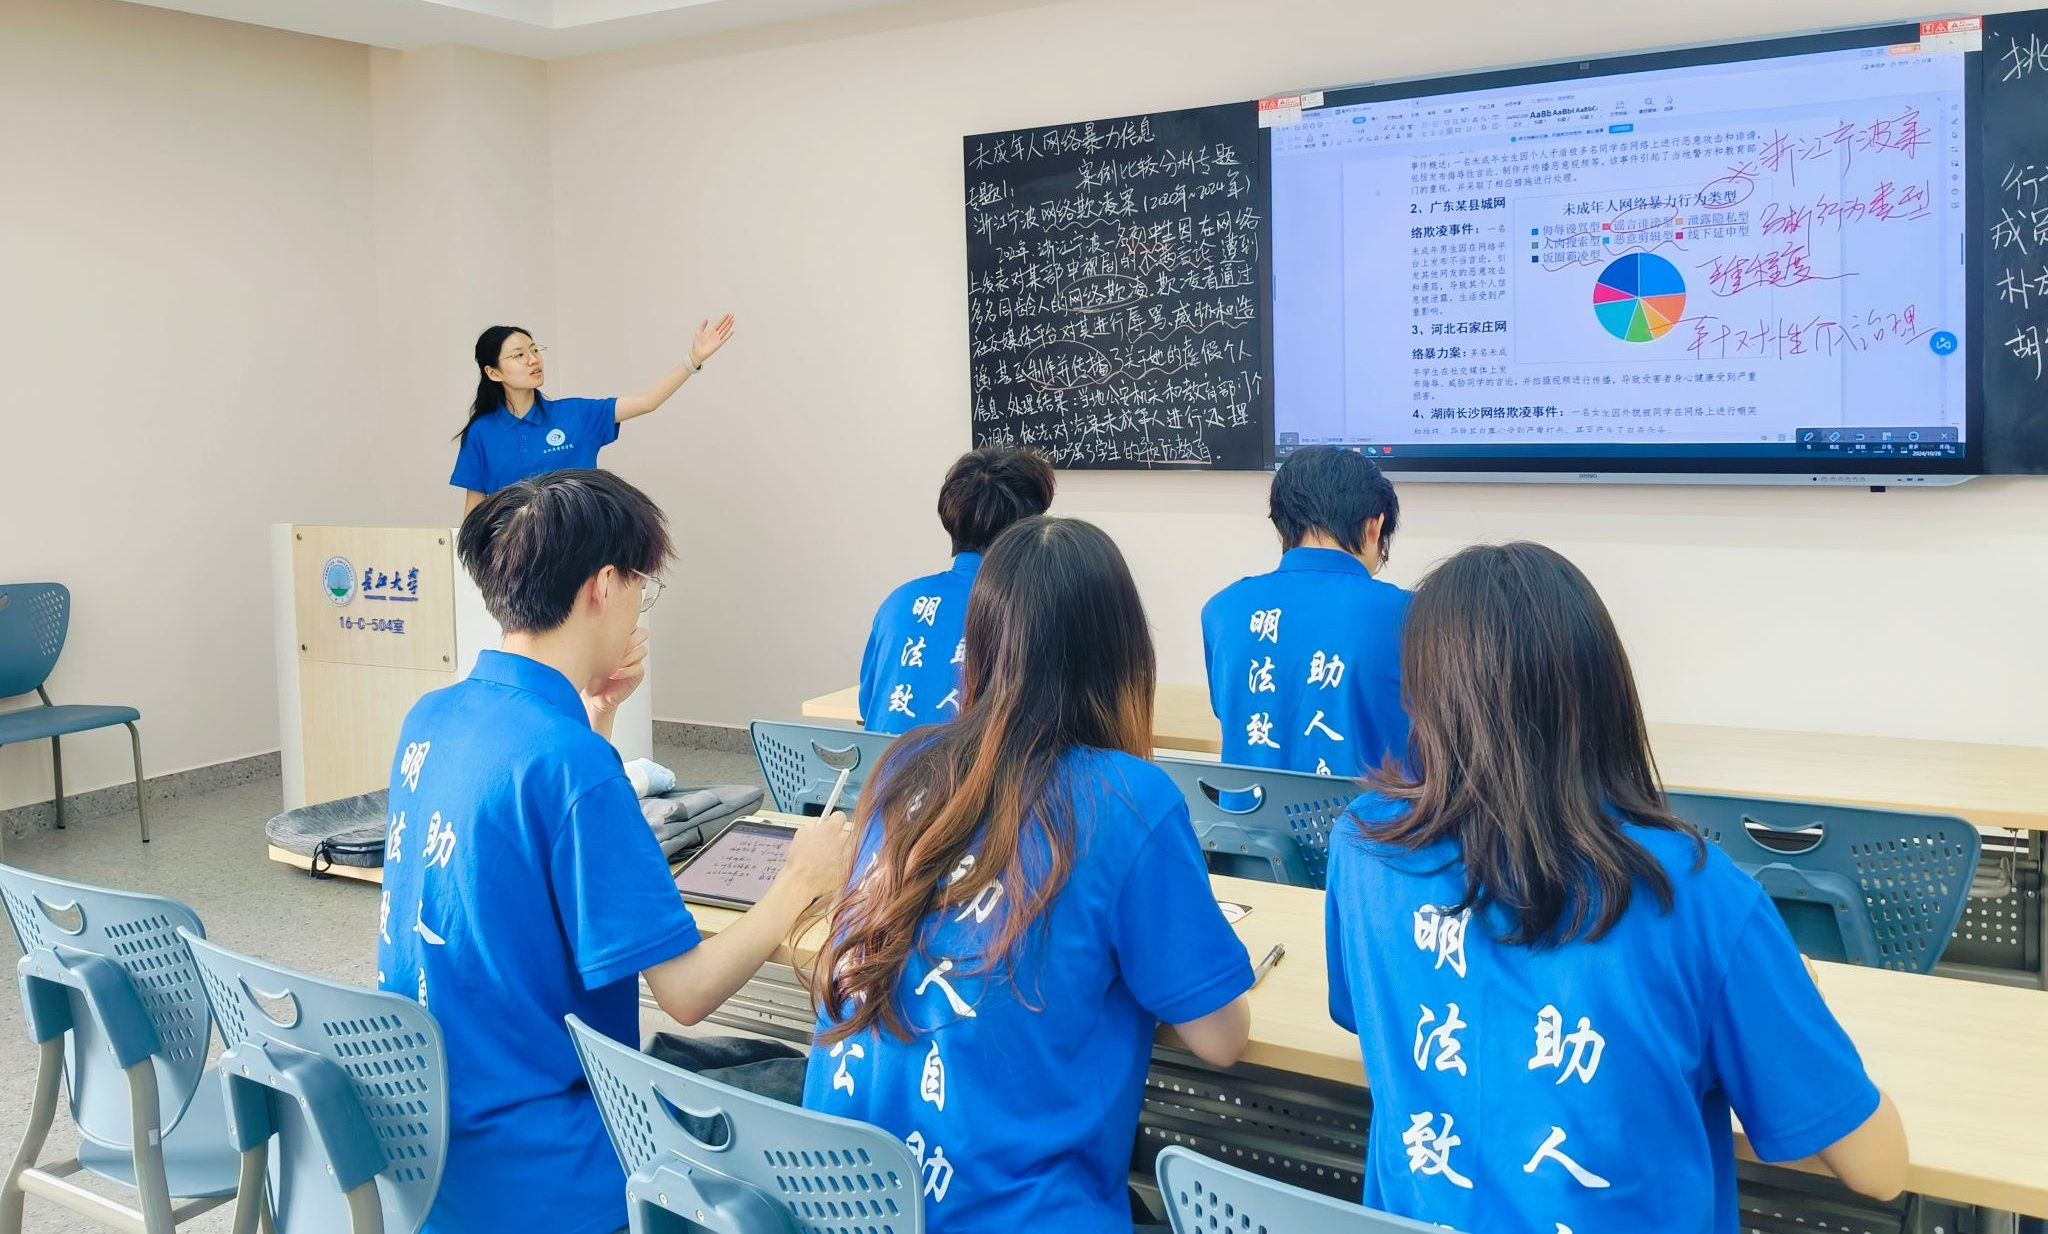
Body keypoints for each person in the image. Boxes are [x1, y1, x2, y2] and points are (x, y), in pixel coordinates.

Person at [1323, 542, 1907, 1233]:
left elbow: (1368, 1021)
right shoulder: (1697, 897)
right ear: (1607, 694)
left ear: (1420, 699)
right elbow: (1879, 1171)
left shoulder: (1363, 845)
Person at [376, 469, 854, 1234]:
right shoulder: (572, 764)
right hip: (553, 1169)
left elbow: (526, 857)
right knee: (819, 1102)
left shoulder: (432, 717)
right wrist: (800, 879)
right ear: (604, 585)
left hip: (429, 1150)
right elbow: (686, 993)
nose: (639, 604)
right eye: (642, 585)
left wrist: (595, 716)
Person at [808, 516, 1255, 1233]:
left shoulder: (904, 764)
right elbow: (1221, 1039)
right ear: (1123, 655)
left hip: (845, 1207)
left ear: (981, 644)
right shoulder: (1129, 801)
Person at [1201, 446, 1408, 777]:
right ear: (1374, 527)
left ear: (1282, 527)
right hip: (1371, 813)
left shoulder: (1221, 610)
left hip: (1248, 812)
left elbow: (1230, 714)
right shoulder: (1413, 614)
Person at [857, 446, 1055, 735]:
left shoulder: (899, 602)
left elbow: (868, 707)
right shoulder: (1030, 607)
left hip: (888, 764)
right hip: (975, 766)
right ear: (1029, 529)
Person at [449, 318, 736, 512]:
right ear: (493, 372)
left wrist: (693, 360)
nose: (533, 359)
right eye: (519, 355)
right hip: (517, 565)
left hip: (582, 554)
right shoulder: (482, 433)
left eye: (534, 349)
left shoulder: (576, 414)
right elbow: (474, 513)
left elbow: (648, 401)